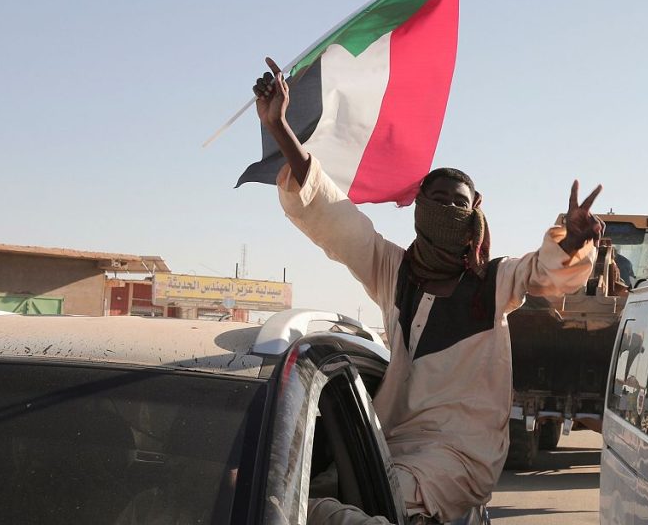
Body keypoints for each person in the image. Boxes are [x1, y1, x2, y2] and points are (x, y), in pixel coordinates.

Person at [253, 58, 602, 523]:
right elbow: (335, 219)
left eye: (459, 203)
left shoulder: (492, 283)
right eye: (439, 201)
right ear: (419, 207)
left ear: (474, 211)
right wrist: (279, 129)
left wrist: (574, 240)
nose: (449, 210)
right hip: (391, 442)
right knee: (292, 492)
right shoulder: (395, 271)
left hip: (460, 457)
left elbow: (545, 272)